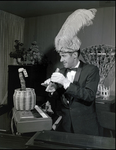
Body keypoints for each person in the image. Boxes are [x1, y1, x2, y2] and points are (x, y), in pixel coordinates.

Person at [41, 8, 100, 136]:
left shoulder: (91, 70)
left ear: (74, 54)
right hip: (66, 126)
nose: (61, 60)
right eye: (60, 56)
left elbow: (89, 96)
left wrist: (66, 83)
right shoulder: (61, 71)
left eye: (64, 56)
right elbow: (58, 102)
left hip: (86, 128)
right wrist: (52, 89)